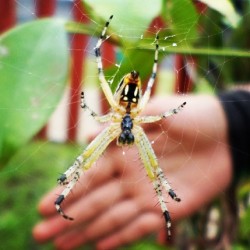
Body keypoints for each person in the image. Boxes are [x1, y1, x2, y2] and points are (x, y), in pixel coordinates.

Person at [33, 89, 250, 250]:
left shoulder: (136, 122)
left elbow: (157, 117)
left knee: (151, 164)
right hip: (124, 115)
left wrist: (235, 118)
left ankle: (166, 190)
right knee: (88, 155)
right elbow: (98, 117)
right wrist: (235, 117)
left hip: (128, 115)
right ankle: (67, 180)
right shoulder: (126, 120)